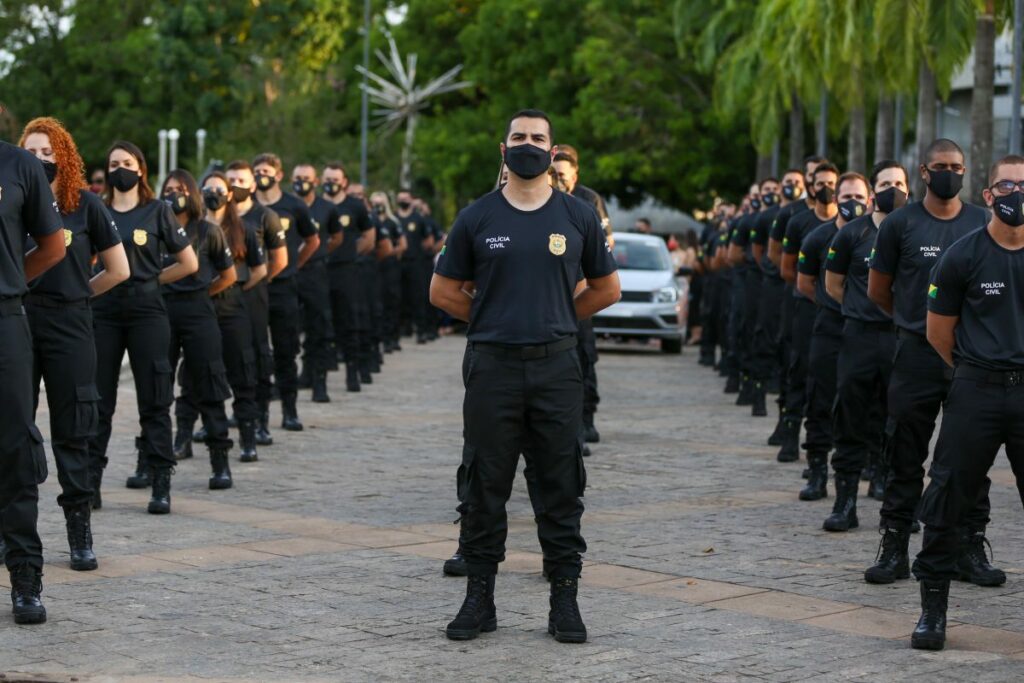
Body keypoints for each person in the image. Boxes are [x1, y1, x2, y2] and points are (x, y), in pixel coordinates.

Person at [430, 109, 620, 643]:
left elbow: (607, 289)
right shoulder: (476, 217)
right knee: (484, 485)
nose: (528, 145)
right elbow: (442, 291)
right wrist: (493, 317)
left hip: (557, 366)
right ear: (503, 147)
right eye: (519, 137)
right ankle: (479, 600)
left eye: (538, 138)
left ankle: (565, 601)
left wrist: (558, 314)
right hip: (492, 367)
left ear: (552, 150)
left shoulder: (577, 216)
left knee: (560, 485)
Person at [867, 138, 1003, 587]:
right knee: (904, 453)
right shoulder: (900, 225)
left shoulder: (982, 222)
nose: (951, 173)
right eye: (941, 166)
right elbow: (878, 291)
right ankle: (894, 547)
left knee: (970, 460)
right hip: (915, 357)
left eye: (958, 166)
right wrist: (916, 325)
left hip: (971, 362)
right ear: (923, 172)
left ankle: (969, 548)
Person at [909, 154, 1024, 651]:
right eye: (1006, 186)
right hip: (976, 388)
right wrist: (977, 370)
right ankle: (932, 611)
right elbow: (939, 333)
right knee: (947, 494)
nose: (1015, 195)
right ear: (988, 195)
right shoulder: (962, 255)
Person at [19, 117, 128, 571]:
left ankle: (79, 530)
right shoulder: (13, 204)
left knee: (75, 427)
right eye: (32, 152)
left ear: (64, 157)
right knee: (13, 427)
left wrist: (81, 293)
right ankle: (14, 532)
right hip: (20, 321)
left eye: (48, 153)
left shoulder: (86, 206)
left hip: (71, 323)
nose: (40, 160)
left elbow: (119, 269)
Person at [89, 141, 197, 515]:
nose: (120, 169)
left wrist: (152, 279)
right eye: (114, 163)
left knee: (154, 398)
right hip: (103, 312)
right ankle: (91, 483)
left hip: (148, 312)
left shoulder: (157, 211)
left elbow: (189, 263)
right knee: (98, 401)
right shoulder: (96, 210)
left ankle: (160, 481)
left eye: (128, 162)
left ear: (141, 169)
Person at [0, 136, 67, 623]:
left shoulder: (20, 165)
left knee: (15, 449)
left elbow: (52, 245)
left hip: (4, 321)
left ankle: (25, 575)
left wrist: (10, 280)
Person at [823, 160, 908, 518]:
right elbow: (833, 285)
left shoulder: (916, 232)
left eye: (899, 183)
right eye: (886, 183)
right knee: (850, 416)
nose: (894, 190)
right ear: (874, 192)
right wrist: (862, 308)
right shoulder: (851, 234)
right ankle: (845, 501)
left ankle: (895, 502)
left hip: (899, 338)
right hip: (858, 336)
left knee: (899, 419)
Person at [157, 170, 237, 489]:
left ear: (192, 193)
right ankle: (153, 459)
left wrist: (203, 293)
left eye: (180, 189)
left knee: (209, 381)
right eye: (168, 188)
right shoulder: (154, 226)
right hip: (161, 310)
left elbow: (228, 275)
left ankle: (220, 460)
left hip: (198, 309)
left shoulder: (208, 230)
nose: (174, 194)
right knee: (157, 382)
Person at [795, 170, 867, 523]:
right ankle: (818, 470)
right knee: (820, 398)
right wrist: (833, 303)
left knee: (868, 403)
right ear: (835, 198)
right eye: (847, 195)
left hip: (867, 330)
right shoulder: (818, 237)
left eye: (858, 196)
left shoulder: (879, 236)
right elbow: (805, 283)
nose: (852, 202)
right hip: (828, 324)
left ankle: (877, 472)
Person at [185, 170, 266, 463]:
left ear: (230, 194)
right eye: (207, 188)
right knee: (194, 374)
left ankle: (247, 438)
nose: (213, 194)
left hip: (232, 308)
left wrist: (236, 289)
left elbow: (259, 269)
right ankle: (184, 436)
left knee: (242, 372)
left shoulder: (243, 228)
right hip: (199, 310)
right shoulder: (192, 229)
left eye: (219, 189)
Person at [253, 153, 319, 431]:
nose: (260, 177)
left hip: (283, 287)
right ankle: (257, 413)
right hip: (253, 287)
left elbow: (312, 240)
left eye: (266, 171)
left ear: (279, 175)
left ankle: (289, 410)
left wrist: (293, 265)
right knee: (255, 351)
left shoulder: (294, 205)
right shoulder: (246, 205)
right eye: (256, 172)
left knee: (285, 349)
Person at [225, 160, 287, 446]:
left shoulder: (265, 217)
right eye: (231, 179)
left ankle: (260, 420)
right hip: (220, 298)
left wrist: (255, 282)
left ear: (252, 185)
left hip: (252, 295)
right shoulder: (215, 215)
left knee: (258, 356)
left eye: (241, 179)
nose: (236, 184)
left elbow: (279, 260)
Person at [778, 160, 834, 466]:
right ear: (810, 187)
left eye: (831, 184)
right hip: (805, 306)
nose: (826, 189)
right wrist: (818, 296)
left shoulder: (851, 226)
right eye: (820, 183)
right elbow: (787, 269)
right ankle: (790, 434)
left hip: (839, 315)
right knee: (799, 369)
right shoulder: (799, 222)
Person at [752, 168, 806, 440]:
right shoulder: (783, 216)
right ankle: (773, 406)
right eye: (789, 182)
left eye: (798, 182)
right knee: (773, 342)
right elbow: (766, 252)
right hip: (780, 287)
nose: (792, 186)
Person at [731, 177, 781, 415]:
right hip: (752, 278)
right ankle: (749, 381)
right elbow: (737, 253)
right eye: (766, 190)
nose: (771, 193)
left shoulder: (787, 214)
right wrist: (761, 267)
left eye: (774, 189)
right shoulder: (751, 220)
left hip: (779, 282)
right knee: (749, 327)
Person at [292, 163, 342, 402]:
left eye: (306, 178)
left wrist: (318, 253)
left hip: (315, 273)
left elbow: (336, 238)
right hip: (288, 273)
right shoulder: (287, 205)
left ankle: (319, 381)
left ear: (316, 182)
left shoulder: (327, 208)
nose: (301, 181)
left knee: (319, 326)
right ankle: (296, 375)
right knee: (289, 327)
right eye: (297, 177)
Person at [323, 162, 373, 391]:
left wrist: (350, 253)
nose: (330, 183)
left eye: (335, 179)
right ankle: (315, 374)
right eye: (327, 179)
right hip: (319, 271)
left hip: (346, 271)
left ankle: (353, 372)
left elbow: (369, 237)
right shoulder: (315, 205)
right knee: (319, 322)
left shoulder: (355, 206)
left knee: (349, 322)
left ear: (344, 182)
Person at [396, 189, 435, 343]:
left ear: (411, 200)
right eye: (400, 198)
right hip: (398, 264)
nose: (403, 201)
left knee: (418, 297)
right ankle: (402, 329)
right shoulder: (395, 219)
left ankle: (421, 330)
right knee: (399, 297)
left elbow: (429, 240)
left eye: (406, 198)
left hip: (415, 263)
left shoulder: (419, 218)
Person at [371, 191, 406, 352]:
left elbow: (403, 245)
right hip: (374, 267)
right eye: (375, 203)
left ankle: (393, 338)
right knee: (378, 303)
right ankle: (380, 337)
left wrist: (388, 251)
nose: (378, 206)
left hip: (390, 266)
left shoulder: (393, 222)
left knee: (393, 301)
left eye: (380, 203)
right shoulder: (370, 221)